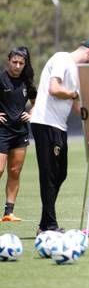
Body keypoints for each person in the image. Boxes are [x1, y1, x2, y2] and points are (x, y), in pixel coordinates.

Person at [30, 39, 89, 233]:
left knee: (60, 173)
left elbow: (78, 106)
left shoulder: (75, 71)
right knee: (49, 175)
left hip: (58, 126)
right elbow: (54, 89)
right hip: (45, 122)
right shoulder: (62, 58)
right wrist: (74, 95)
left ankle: (45, 223)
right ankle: (49, 226)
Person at [0, 47, 37, 221]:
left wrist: (31, 114)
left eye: (21, 63)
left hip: (20, 132)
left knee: (15, 171)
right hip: (2, 131)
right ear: (9, 61)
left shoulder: (27, 82)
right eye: (14, 62)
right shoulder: (1, 79)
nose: (17, 66)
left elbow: (36, 102)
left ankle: (9, 212)